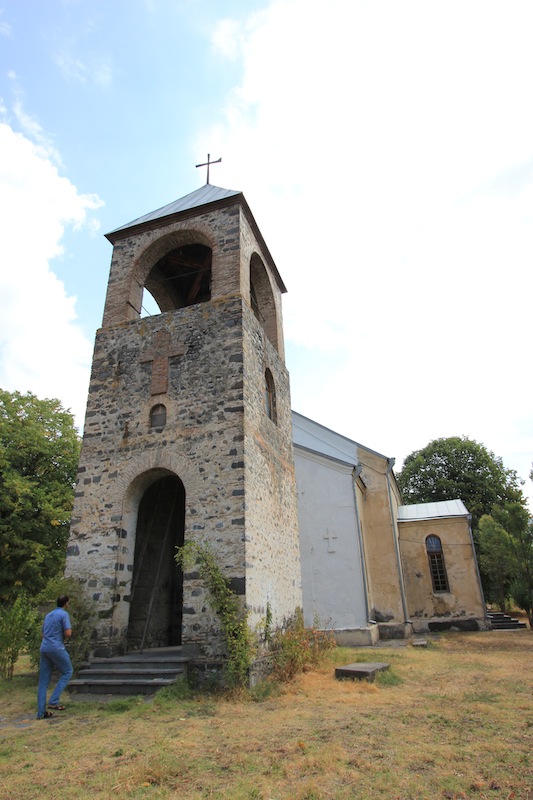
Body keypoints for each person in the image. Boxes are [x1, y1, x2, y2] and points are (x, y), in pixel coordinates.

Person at [36, 594, 73, 719]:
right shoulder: (63, 614)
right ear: (66, 603)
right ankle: (54, 701)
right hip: (56, 647)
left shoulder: (48, 615)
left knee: (43, 681)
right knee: (68, 671)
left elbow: (42, 634)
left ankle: (41, 712)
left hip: (44, 647)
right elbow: (68, 633)